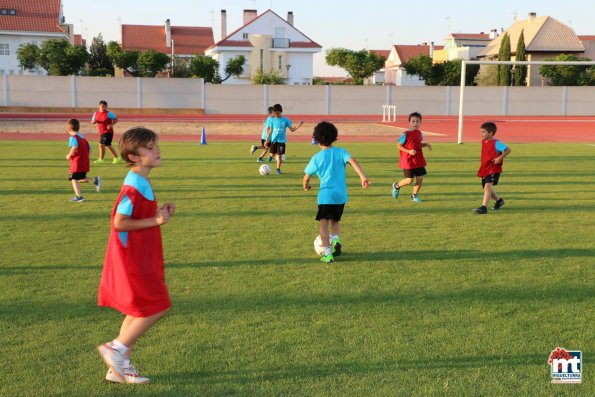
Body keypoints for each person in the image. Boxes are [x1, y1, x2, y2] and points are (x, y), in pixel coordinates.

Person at [97, 127, 176, 384]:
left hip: (141, 254)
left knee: (137, 309)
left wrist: (159, 213)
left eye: (157, 145)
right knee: (158, 305)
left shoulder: (141, 180)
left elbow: (139, 216)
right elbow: (119, 222)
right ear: (134, 157)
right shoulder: (133, 186)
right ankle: (116, 348)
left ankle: (117, 368)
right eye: (151, 148)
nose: (158, 150)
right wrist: (155, 219)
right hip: (133, 258)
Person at [304, 121, 370, 263]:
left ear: (316, 138)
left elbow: (306, 177)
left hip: (326, 195)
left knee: (323, 223)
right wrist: (362, 177)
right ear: (334, 136)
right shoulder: (341, 152)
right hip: (340, 196)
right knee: (335, 220)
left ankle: (327, 254)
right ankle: (336, 241)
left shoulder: (316, 158)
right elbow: (352, 160)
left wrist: (306, 185)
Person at [391, 111, 432, 203]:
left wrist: (426, 144)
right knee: (409, 180)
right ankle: (396, 186)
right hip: (408, 161)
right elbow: (398, 145)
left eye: (417, 121)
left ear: (420, 123)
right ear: (409, 122)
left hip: (418, 160)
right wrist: (408, 151)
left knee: (420, 179)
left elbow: (417, 145)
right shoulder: (406, 134)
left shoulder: (420, 133)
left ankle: (414, 196)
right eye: (413, 121)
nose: (415, 123)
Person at [473, 121, 511, 214]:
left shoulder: (496, 143)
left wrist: (499, 158)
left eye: (483, 132)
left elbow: (508, 149)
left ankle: (483, 208)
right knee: (486, 188)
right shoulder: (484, 141)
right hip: (485, 168)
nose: (481, 134)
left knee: (487, 187)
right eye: (481, 131)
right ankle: (499, 201)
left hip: (493, 168)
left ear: (490, 133)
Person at [65, 118, 101, 202]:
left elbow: (74, 147)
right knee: (81, 177)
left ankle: (79, 197)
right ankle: (95, 181)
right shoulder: (83, 138)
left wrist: (68, 155)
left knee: (73, 179)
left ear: (69, 129)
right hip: (84, 162)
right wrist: (86, 157)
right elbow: (90, 148)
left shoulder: (73, 138)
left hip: (77, 163)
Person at [264, 103, 303, 174]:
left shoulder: (285, 120)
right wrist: (267, 140)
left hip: (282, 141)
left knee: (279, 156)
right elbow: (270, 130)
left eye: (276, 113)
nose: (275, 114)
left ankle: (277, 169)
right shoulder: (272, 120)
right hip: (273, 141)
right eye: (274, 113)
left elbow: (292, 130)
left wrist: (298, 126)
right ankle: (270, 156)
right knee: (272, 154)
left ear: (279, 111)